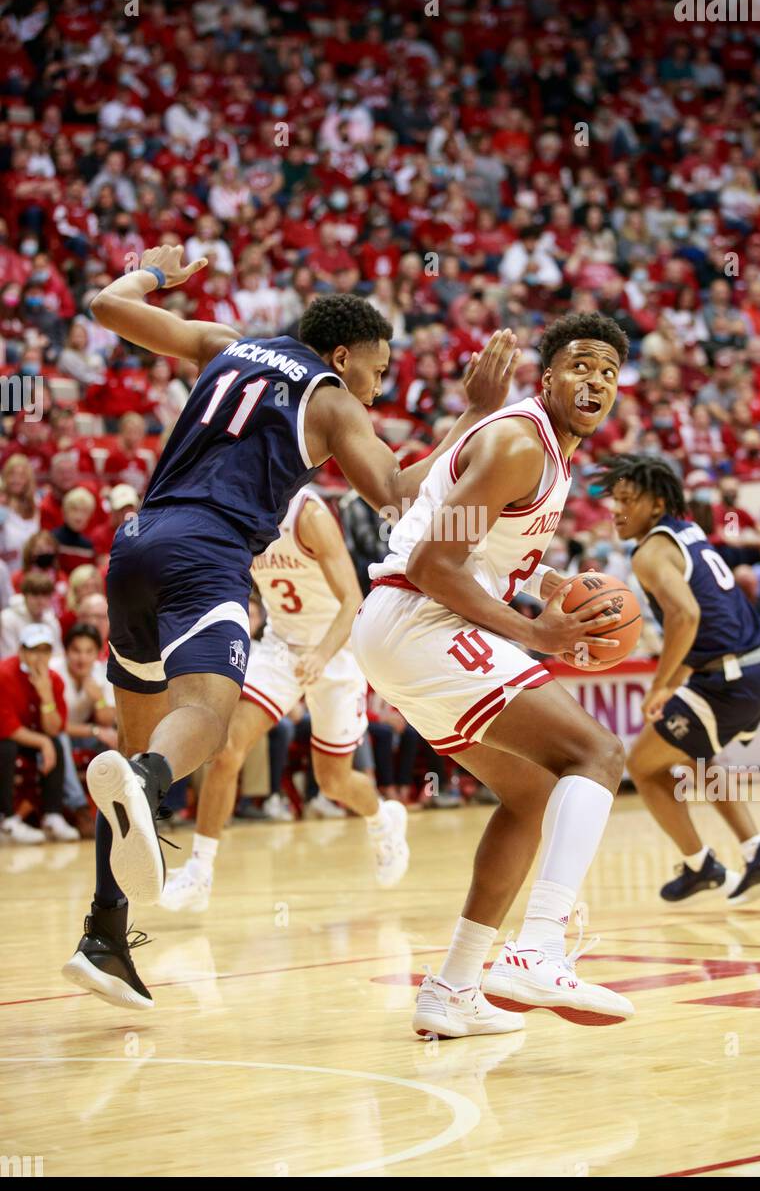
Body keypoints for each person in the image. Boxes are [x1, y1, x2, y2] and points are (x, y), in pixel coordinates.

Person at [62, 244, 517, 1011]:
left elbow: (106, 306)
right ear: (343, 356)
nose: (378, 388)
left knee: (136, 754)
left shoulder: (226, 342)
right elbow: (397, 492)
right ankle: (144, 781)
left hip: (137, 545)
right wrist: (473, 413)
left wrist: (158, 271)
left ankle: (106, 936)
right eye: (377, 371)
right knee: (203, 717)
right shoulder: (336, 401)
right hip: (208, 553)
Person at [352, 312, 635, 1039]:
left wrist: (553, 591)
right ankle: (537, 949)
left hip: (410, 628)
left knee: (533, 793)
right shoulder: (518, 442)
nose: (595, 380)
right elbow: (433, 564)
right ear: (547, 378)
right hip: (419, 615)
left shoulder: (552, 453)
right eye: (580, 364)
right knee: (597, 754)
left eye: (609, 371)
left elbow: (494, 556)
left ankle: (451, 989)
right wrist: (537, 633)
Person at [160, 486, 408, 913]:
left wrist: (323, 654)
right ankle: (200, 872)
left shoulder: (307, 514)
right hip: (280, 646)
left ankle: (383, 819)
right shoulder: (237, 511)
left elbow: (353, 600)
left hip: (336, 647)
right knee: (227, 748)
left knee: (332, 780)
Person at [600, 454, 760, 907]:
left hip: (731, 677)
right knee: (695, 758)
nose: (615, 510)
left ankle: (700, 865)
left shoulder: (650, 551)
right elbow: (708, 618)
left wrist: (659, 685)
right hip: (759, 665)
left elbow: (686, 616)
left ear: (655, 504)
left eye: (627, 500)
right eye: (614, 500)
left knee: (642, 766)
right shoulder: (688, 532)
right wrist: (676, 680)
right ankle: (758, 855)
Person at [0, 623, 76, 843]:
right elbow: (7, 728)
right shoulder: (4, 674)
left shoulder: (54, 680)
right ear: (21, 651)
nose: (39, 657)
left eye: (45, 650)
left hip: (29, 738)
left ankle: (53, 816)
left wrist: (46, 696)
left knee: (57, 742)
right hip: (8, 738)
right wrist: (43, 742)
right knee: (6, 747)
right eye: (34, 650)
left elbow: (54, 728)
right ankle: (8, 819)